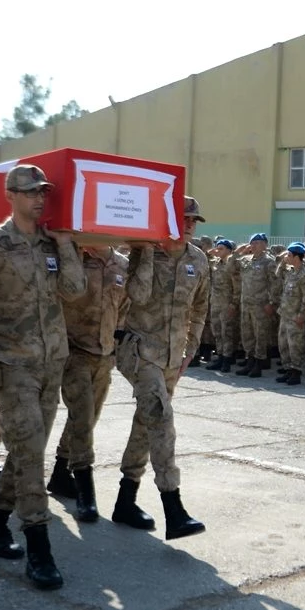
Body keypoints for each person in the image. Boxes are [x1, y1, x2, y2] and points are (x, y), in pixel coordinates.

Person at [0, 164, 86, 590]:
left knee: (24, 452)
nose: (39, 198)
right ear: (10, 194)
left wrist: (67, 245)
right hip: (11, 364)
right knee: (32, 455)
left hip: (52, 363)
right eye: (30, 192)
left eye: (43, 193)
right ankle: (39, 547)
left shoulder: (53, 244)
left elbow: (74, 291)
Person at [111, 196, 208, 540]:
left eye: (194, 220)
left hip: (171, 357)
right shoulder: (145, 252)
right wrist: (149, 251)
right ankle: (174, 506)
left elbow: (199, 308)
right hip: (141, 353)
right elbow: (136, 295)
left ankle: (125, 499)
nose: (190, 225)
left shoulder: (198, 259)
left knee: (146, 422)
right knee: (162, 421)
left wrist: (190, 350)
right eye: (184, 218)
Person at [44, 243, 130, 522]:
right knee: (82, 417)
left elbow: (124, 307)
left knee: (87, 419)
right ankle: (85, 491)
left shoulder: (121, 264)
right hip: (73, 351)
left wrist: (116, 345)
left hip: (104, 353)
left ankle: (60, 472)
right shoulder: (75, 258)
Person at [234, 234, 279, 378]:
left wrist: (272, 303)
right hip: (246, 304)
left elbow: (275, 284)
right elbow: (230, 267)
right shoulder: (245, 261)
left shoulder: (269, 262)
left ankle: (259, 363)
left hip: (261, 305)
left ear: (265, 245)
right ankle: (250, 360)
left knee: (260, 335)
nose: (253, 245)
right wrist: (237, 252)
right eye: (252, 243)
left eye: (257, 243)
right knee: (247, 334)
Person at [275, 243, 305, 385]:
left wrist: (302, 315)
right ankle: (287, 370)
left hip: (295, 316)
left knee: (295, 345)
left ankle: (296, 371)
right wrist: (282, 262)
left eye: (289, 255)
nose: (287, 257)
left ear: (297, 257)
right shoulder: (290, 271)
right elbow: (277, 275)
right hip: (285, 314)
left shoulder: (304, 275)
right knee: (283, 344)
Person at [208, 238, 242, 371]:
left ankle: (227, 360)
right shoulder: (215, 264)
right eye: (217, 248)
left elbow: (237, 286)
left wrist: (234, 304)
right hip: (215, 303)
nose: (218, 250)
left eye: (221, 248)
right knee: (217, 332)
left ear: (229, 251)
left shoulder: (232, 266)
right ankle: (220, 356)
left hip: (227, 304)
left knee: (226, 332)